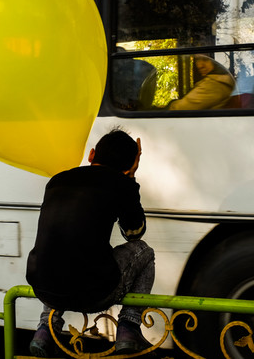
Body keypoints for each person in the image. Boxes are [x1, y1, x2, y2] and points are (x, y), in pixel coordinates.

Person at [26, 128, 155, 357]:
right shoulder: (122, 184)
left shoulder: (57, 180)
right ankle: (129, 327)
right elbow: (135, 234)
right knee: (144, 251)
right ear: (129, 165)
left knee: (59, 250)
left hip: (43, 287)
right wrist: (131, 178)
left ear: (92, 154)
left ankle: (45, 329)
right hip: (94, 293)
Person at [167, 55, 235, 110]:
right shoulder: (217, 80)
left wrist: (170, 104)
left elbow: (180, 109)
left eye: (205, 59)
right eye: (197, 60)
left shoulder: (214, 84)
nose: (200, 66)